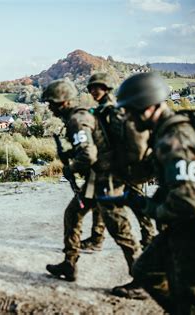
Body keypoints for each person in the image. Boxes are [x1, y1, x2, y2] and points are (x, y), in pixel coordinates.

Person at [117, 72, 195, 314]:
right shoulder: (168, 131)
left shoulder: (174, 138)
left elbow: (189, 200)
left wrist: (149, 208)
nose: (128, 117)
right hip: (189, 224)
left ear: (147, 106)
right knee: (147, 271)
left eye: (130, 110)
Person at [42, 78, 145, 299]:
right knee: (73, 214)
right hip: (96, 179)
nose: (49, 107)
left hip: (106, 180)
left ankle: (142, 281)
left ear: (61, 102)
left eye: (51, 102)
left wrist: (71, 168)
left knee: (120, 228)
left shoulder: (78, 120)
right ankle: (69, 264)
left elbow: (89, 154)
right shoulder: (79, 117)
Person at [84, 73, 156, 251]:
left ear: (106, 88)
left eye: (97, 87)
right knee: (101, 199)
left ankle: (149, 237)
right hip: (115, 164)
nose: (93, 91)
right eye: (91, 88)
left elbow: (123, 139)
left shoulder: (112, 110)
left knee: (136, 202)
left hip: (123, 165)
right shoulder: (103, 109)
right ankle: (97, 238)